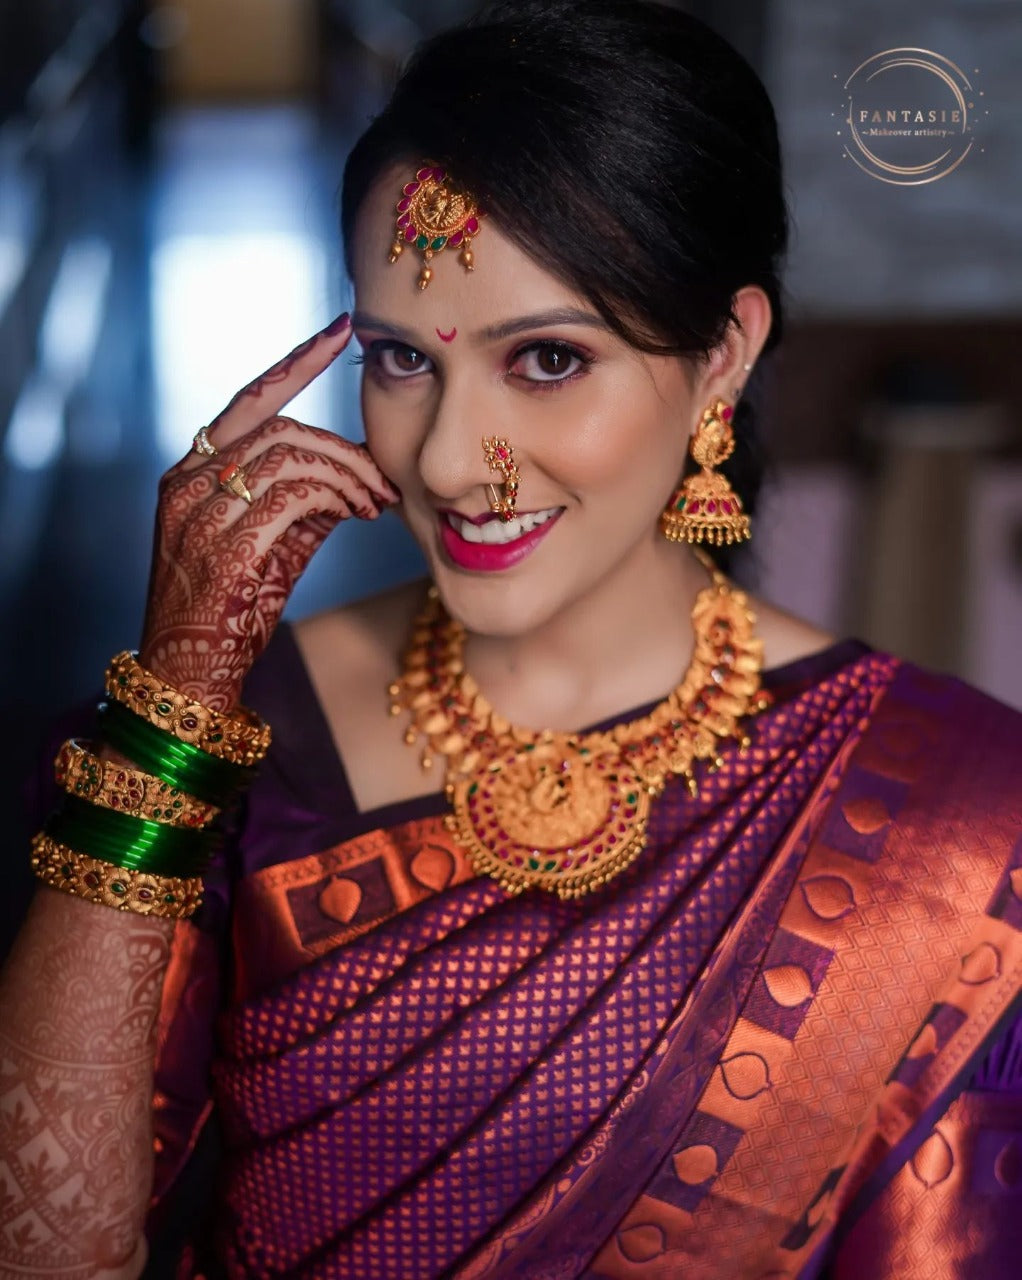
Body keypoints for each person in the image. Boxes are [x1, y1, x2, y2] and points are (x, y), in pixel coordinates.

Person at [2, 1, 1020, 1277]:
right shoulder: (227, 744)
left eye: (543, 357)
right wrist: (172, 701)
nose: (443, 459)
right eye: (397, 357)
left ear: (721, 355)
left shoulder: (958, 818)